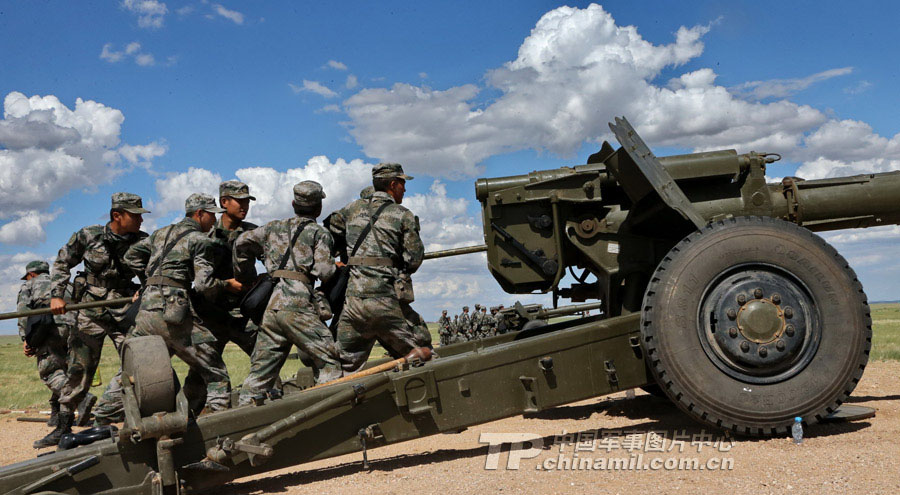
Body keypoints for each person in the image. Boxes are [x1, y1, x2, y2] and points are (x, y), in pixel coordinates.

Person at [123, 193, 240, 415]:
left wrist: (149, 281)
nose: (213, 222)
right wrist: (227, 285)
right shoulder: (200, 240)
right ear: (199, 214)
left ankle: (102, 418)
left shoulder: (161, 233)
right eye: (210, 216)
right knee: (215, 372)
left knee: (132, 370)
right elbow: (204, 284)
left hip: (147, 310)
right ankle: (219, 420)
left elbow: (131, 256)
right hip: (173, 312)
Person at [46, 193, 148, 446]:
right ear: (117, 215)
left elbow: (153, 273)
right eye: (135, 216)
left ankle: (127, 416)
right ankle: (64, 426)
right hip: (90, 308)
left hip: (124, 309)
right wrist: (57, 296)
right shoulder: (88, 235)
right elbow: (62, 263)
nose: (140, 221)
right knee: (79, 369)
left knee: (137, 362)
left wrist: (142, 292)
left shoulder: (145, 242)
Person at [234, 181, 341, 403]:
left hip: (271, 307)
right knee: (329, 361)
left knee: (259, 374)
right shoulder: (319, 232)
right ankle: (329, 416)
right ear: (319, 208)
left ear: (294, 203)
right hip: (298, 304)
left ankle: (244, 417)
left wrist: (245, 274)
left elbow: (241, 242)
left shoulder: (272, 228)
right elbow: (325, 271)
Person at [329, 163, 432, 372]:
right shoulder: (402, 214)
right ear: (393, 184)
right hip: (386, 300)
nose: (405, 188)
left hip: (354, 303)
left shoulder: (350, 210)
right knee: (424, 352)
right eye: (403, 183)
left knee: (344, 367)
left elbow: (328, 233)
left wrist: (344, 258)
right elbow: (414, 259)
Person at [183, 180, 260, 413]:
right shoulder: (204, 233)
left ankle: (264, 407)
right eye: (239, 200)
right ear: (224, 202)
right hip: (211, 314)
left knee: (263, 358)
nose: (244, 205)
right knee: (200, 373)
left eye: (247, 201)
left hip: (243, 312)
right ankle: (189, 419)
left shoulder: (253, 232)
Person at [17, 261, 82, 448]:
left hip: (49, 328)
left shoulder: (29, 285)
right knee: (68, 373)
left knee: (51, 372)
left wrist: (27, 340)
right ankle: (60, 421)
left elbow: (23, 312)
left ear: (31, 274)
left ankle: (81, 397)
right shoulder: (63, 282)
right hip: (74, 327)